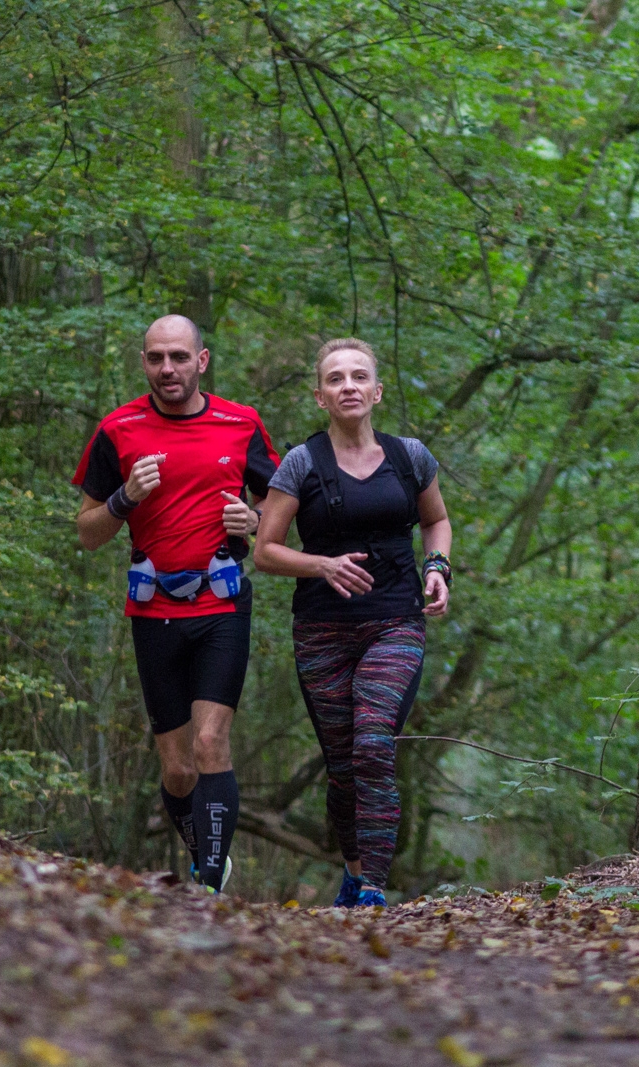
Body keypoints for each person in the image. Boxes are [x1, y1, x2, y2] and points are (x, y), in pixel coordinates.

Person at [73, 314, 279, 892]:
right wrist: (124, 496)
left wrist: (256, 521)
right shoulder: (118, 430)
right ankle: (206, 853)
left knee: (212, 741)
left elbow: (283, 515)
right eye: (157, 358)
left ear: (202, 360)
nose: (168, 368)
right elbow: (88, 533)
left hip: (221, 605)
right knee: (179, 768)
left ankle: (210, 882)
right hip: (152, 609)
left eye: (179, 357)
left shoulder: (242, 423)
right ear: (144, 362)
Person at [253, 337, 452, 908]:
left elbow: (436, 521)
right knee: (342, 767)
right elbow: (265, 551)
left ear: (377, 391)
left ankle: (372, 891)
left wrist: (438, 568)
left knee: (372, 747)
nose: (348, 386)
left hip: (395, 620)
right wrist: (321, 564)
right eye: (336, 379)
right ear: (320, 396)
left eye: (359, 377)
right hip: (322, 631)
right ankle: (352, 869)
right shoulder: (301, 463)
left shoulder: (409, 456)